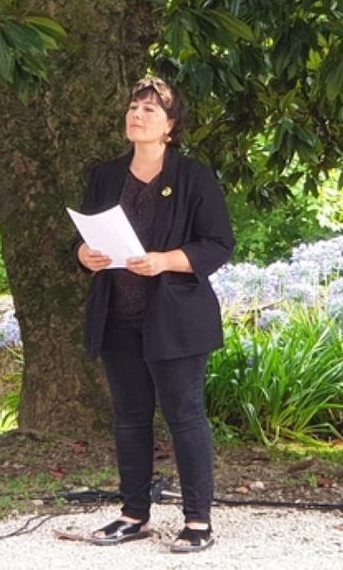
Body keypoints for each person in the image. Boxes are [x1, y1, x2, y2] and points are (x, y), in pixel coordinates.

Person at [73, 76, 234, 554]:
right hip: (117, 315)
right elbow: (82, 237)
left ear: (170, 126)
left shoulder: (193, 177)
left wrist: (165, 260)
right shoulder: (105, 176)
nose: (136, 115)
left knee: (185, 416)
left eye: (149, 110)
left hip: (175, 319)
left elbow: (219, 244)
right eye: (133, 107)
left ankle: (197, 520)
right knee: (129, 417)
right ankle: (133, 514)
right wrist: (84, 254)